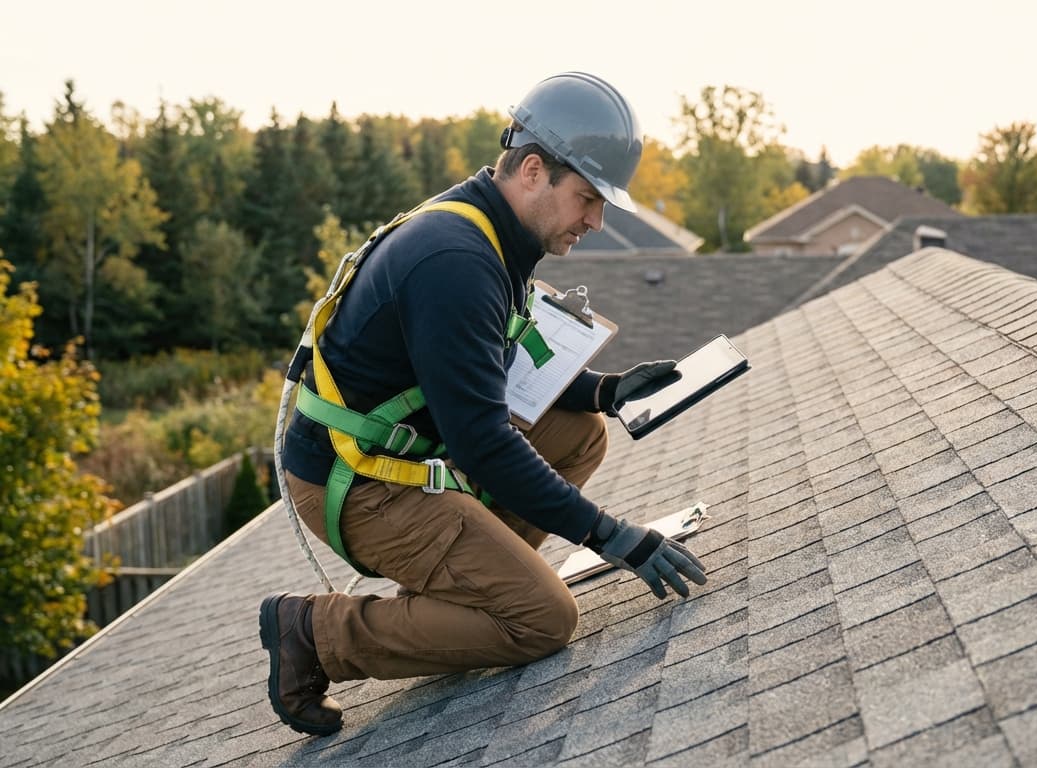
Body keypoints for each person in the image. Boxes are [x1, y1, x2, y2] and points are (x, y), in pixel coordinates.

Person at [259, 72, 708, 736]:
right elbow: (482, 440)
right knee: (542, 620)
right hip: (358, 482)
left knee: (579, 431)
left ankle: (468, 591)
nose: (595, 220)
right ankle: (316, 633)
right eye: (587, 198)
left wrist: (606, 392)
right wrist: (614, 537)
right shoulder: (455, 261)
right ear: (534, 170)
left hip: (402, 451)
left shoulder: (490, 229)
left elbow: (487, 373)